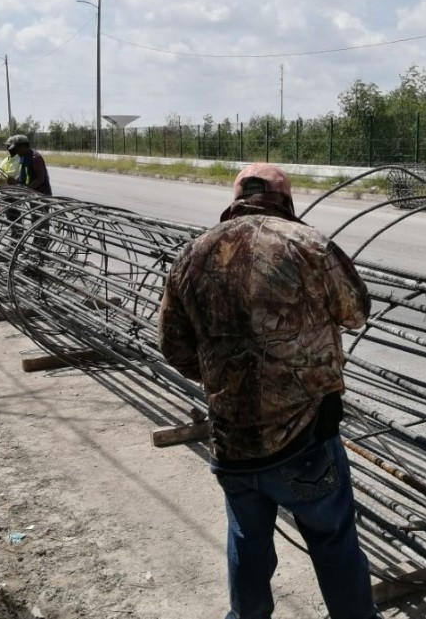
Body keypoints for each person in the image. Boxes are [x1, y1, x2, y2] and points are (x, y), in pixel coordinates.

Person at [158, 164, 381, 619]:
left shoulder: (192, 255)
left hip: (233, 439)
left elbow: (175, 350)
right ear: (286, 199)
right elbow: (356, 311)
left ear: (236, 196)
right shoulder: (310, 245)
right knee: (333, 540)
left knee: (247, 541)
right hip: (305, 436)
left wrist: (229, 380)